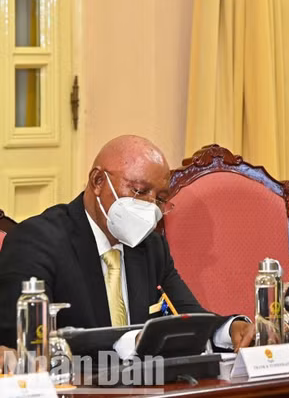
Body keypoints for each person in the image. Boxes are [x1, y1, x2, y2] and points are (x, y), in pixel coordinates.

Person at [0, 136, 254, 364]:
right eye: (140, 191)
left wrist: (228, 328)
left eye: (161, 198)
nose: (150, 206)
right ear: (98, 181)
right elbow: (24, 341)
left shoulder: (152, 247)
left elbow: (188, 316)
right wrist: (125, 343)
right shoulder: (37, 241)